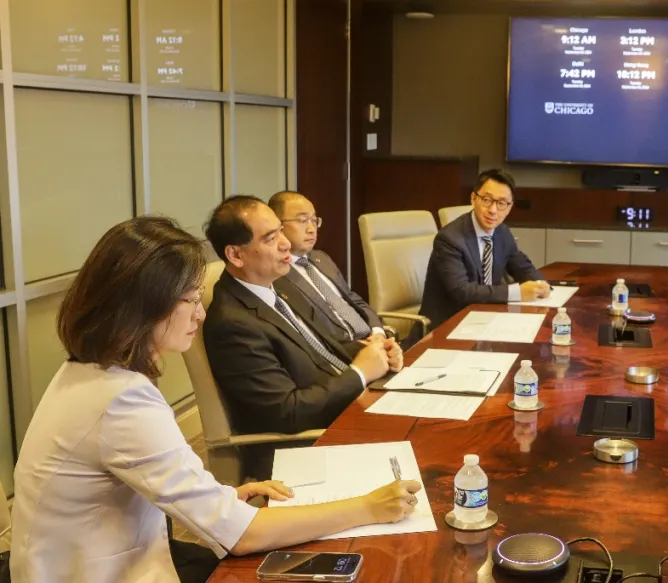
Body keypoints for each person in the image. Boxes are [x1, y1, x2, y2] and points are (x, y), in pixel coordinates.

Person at [10, 216, 421, 583]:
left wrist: (220, 498)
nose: (200, 313)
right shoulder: (121, 399)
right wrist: (369, 507)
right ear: (145, 303)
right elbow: (243, 536)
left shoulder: (92, 372)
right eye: (190, 298)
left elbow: (153, 473)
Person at [202, 195, 403, 480]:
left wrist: (378, 351)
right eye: (270, 238)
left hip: (345, 411)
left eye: (280, 231)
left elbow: (324, 347)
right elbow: (288, 412)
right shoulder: (233, 323)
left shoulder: (276, 287)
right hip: (304, 445)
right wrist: (360, 373)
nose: (285, 243)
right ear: (236, 255)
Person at [419, 168, 549, 330]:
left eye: (501, 203)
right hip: (447, 326)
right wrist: (517, 292)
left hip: (486, 321)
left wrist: (540, 284)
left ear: (509, 207)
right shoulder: (449, 239)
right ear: (473, 199)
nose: (493, 210)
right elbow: (462, 292)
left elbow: (523, 267)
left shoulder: (502, 233)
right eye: (487, 200)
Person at [269, 190, 387, 348]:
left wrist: (378, 332)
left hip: (373, 342)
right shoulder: (275, 274)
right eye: (303, 220)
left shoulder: (321, 258)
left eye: (314, 220)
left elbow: (353, 299)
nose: (311, 229)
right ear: (278, 226)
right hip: (342, 352)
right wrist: (360, 348)